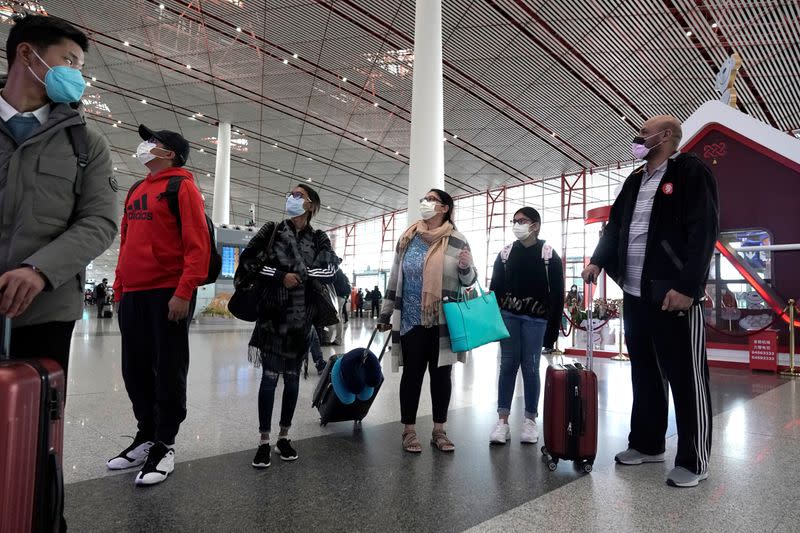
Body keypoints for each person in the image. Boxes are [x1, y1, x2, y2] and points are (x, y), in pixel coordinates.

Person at [582, 115, 719, 488]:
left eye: (645, 133)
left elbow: (704, 232)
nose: (638, 138)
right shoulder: (634, 180)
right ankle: (647, 443)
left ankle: (695, 459)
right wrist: (597, 260)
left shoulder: (691, 172)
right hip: (635, 293)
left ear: (669, 137)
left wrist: (688, 287)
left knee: (686, 378)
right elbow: (615, 227)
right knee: (644, 373)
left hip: (672, 295)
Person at [0, 15, 117, 387]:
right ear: (27, 55)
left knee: (32, 426)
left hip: (45, 313)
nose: (77, 76)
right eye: (69, 61)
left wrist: (39, 270)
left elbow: (99, 222)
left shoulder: (87, 143)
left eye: (80, 68)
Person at [107, 125, 211, 487]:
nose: (145, 147)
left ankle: (165, 443)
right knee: (134, 369)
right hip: (133, 293)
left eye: (153, 142)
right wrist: (119, 289)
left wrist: (183, 292)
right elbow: (126, 242)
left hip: (166, 292)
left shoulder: (181, 187)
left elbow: (197, 245)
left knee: (168, 368)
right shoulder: (137, 189)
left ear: (169, 153)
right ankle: (146, 434)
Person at [236, 183, 336, 469]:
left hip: (301, 319)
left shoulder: (319, 238)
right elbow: (249, 263)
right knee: (269, 378)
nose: (291, 198)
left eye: (298, 195)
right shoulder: (272, 230)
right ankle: (264, 441)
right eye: (289, 193)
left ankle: (284, 436)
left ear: (311, 206)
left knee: (292, 379)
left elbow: (330, 270)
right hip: (272, 316)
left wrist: (298, 275)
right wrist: (281, 276)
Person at [378, 188, 476, 454]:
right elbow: (396, 276)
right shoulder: (409, 237)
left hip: (443, 320)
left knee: (441, 375)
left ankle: (439, 430)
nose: (426, 203)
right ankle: (408, 431)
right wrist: (386, 312)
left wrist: (466, 267)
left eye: (432, 200)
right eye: (426, 199)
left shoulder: (457, 240)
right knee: (412, 375)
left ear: (445, 208)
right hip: (411, 319)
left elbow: (469, 282)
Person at [488, 207, 563, 445]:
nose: (517, 224)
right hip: (509, 317)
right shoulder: (506, 253)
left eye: (523, 221)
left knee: (531, 367)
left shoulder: (549, 254)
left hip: (537, 320)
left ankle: (530, 420)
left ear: (536, 225)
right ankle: (502, 421)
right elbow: (495, 290)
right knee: (507, 366)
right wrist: (493, 323)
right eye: (515, 220)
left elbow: (558, 296)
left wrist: (551, 334)